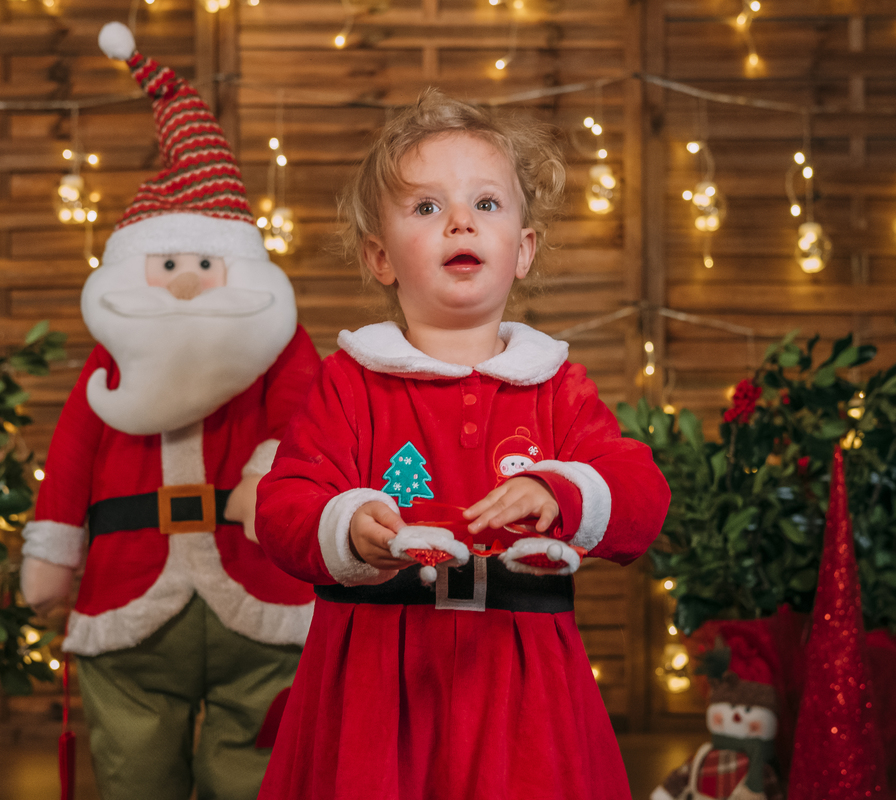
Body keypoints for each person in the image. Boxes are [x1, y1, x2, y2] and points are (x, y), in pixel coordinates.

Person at [254, 90, 672, 800]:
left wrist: (560, 489)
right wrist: (349, 525)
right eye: (426, 208)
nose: (458, 222)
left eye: (486, 204)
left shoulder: (554, 386)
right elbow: (284, 505)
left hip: (521, 679)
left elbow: (639, 496)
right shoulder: (351, 383)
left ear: (524, 250)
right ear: (380, 257)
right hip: (376, 684)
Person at [18, 22, 318, 800]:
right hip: (128, 593)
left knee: (256, 765)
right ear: (136, 271)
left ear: (240, 269)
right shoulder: (109, 361)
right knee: (134, 769)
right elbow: (75, 448)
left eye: (203, 266)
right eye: (170, 266)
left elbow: (306, 420)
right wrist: (54, 553)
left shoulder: (281, 349)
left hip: (259, 591)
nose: (186, 283)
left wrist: (267, 473)